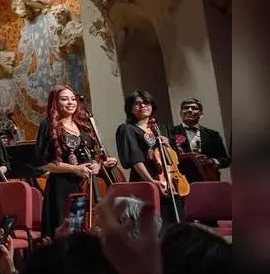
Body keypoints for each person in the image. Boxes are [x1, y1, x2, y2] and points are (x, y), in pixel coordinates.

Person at [34, 85, 114, 237]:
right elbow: (43, 162)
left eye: (73, 99)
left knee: (89, 228)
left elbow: (95, 153)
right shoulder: (48, 125)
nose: (70, 102)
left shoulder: (83, 124)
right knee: (67, 232)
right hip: (62, 187)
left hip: (87, 185)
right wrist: (75, 169)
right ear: (55, 103)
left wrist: (97, 165)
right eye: (64, 99)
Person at [115, 89, 180, 224]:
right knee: (153, 224)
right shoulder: (127, 129)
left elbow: (176, 155)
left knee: (176, 224)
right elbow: (135, 158)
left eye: (146, 102)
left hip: (171, 180)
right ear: (130, 109)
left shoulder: (162, 128)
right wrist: (150, 181)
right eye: (137, 104)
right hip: (145, 180)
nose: (142, 106)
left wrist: (168, 144)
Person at [169, 97, 231, 179]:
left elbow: (225, 160)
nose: (189, 110)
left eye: (194, 108)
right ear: (181, 113)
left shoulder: (212, 135)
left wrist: (211, 161)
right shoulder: (171, 132)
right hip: (182, 179)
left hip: (209, 177)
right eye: (185, 108)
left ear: (201, 114)